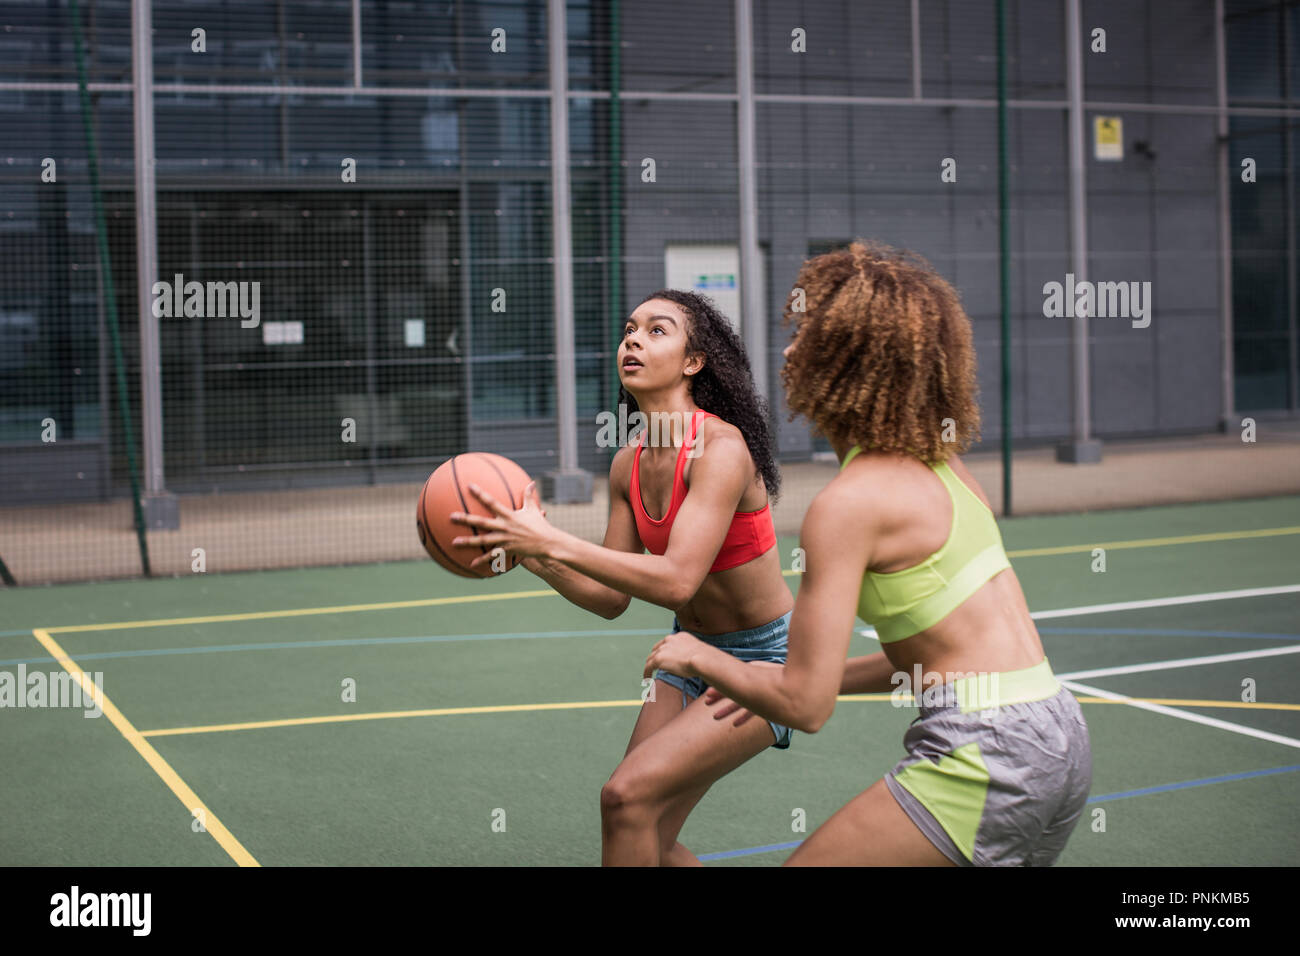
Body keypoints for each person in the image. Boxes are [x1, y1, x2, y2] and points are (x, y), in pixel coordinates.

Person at [643, 241, 1093, 866]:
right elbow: (922, 655)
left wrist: (703, 657)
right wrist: (759, 676)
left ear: (852, 363)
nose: (789, 350)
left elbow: (806, 707)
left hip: (987, 749)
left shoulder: (847, 505)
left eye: (809, 339)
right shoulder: (946, 468)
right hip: (1056, 731)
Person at [449, 289, 795, 866]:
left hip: (765, 663)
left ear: (694, 362)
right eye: (629, 329)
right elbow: (610, 598)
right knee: (638, 823)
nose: (633, 339)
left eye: (657, 331)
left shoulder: (721, 449)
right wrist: (525, 552)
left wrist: (549, 538)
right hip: (690, 653)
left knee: (626, 794)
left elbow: (677, 580)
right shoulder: (627, 462)